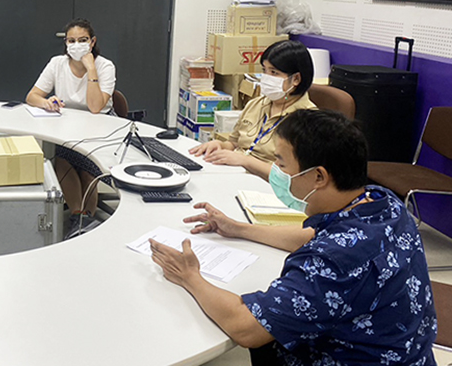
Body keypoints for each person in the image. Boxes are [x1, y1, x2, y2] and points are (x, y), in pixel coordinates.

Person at [150, 109, 437, 366]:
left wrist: (190, 276)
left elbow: (246, 327)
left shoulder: (334, 262)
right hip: (408, 352)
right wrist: (237, 228)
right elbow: (310, 236)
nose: (276, 173)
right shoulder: (382, 203)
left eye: (282, 165)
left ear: (319, 177)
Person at [26, 18, 116, 238]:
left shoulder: (105, 66)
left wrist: (91, 69)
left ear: (92, 42)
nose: (76, 45)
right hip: (67, 127)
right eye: (71, 41)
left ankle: (84, 218)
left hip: (100, 128)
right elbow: (31, 96)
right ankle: (79, 217)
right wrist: (46, 102)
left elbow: (95, 107)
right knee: (64, 159)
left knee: (87, 165)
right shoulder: (57, 63)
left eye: (82, 40)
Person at [190, 40, 316, 179]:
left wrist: (246, 161)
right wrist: (219, 145)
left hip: (266, 187)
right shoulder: (257, 104)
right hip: (234, 174)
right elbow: (234, 143)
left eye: (274, 72)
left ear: (296, 79)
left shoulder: (308, 121)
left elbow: (292, 178)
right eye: (264, 70)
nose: (266, 78)